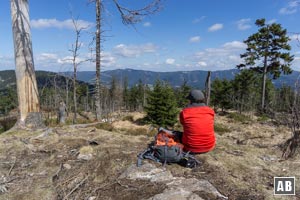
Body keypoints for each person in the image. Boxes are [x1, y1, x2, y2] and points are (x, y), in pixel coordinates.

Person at [179, 89, 215, 153]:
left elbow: (183, 123)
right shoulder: (210, 111)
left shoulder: (184, 112)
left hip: (190, 147)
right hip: (209, 146)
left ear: (191, 100)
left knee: (178, 135)